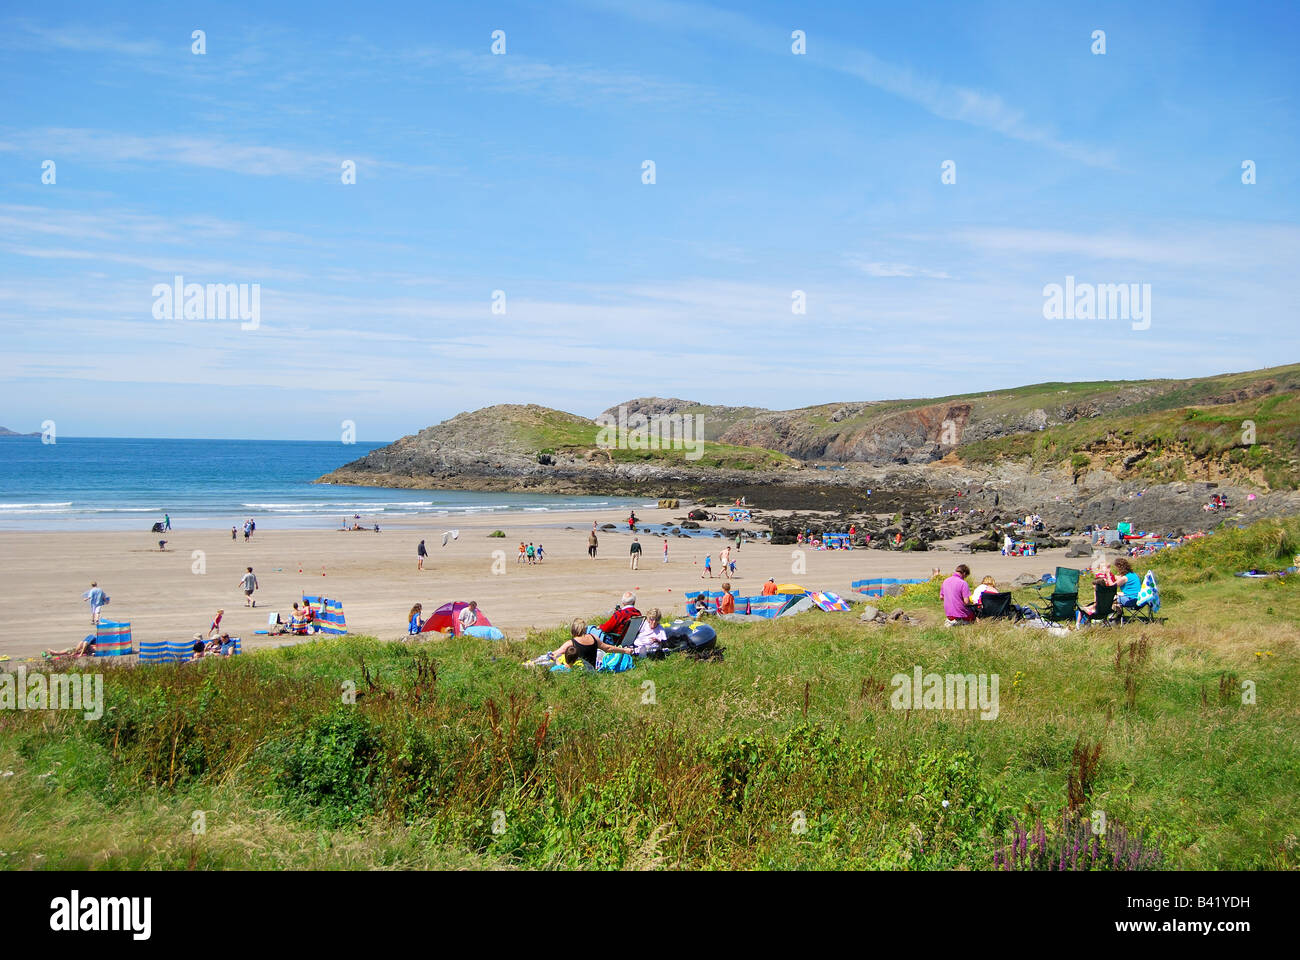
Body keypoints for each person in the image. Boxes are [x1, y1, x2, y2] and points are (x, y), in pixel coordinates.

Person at [550, 618, 634, 669]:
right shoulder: (593, 638)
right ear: (585, 629)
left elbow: (554, 654)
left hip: (577, 669)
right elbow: (608, 648)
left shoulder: (571, 643)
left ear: (573, 630)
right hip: (591, 670)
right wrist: (625, 650)